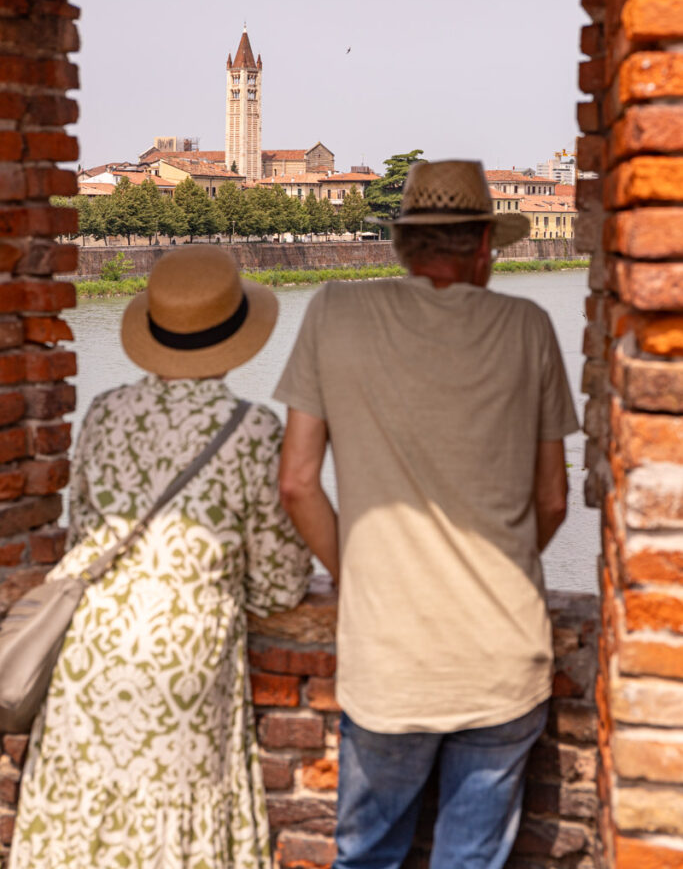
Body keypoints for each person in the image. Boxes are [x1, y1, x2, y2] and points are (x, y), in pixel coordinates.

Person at [274, 160, 579, 869]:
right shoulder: (527, 325)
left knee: (367, 857)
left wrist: (358, 573)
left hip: (388, 656)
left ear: (403, 245)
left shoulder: (332, 311)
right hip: (502, 652)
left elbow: (296, 484)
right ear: (481, 246)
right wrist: (498, 566)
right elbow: (553, 499)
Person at [9, 246, 311, 869]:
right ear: (237, 334)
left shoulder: (104, 412)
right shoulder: (251, 430)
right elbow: (279, 583)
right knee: (174, 822)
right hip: (185, 656)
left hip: (90, 647)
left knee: (84, 819)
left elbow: (85, 532)